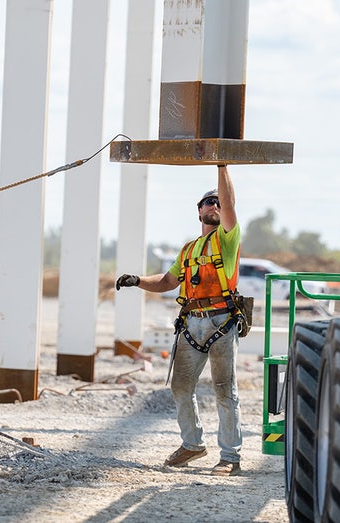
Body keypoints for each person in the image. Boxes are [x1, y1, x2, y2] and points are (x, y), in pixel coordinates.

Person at [115, 165, 244, 477]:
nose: (214, 205)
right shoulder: (188, 250)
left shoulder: (227, 240)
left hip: (221, 322)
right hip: (192, 323)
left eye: (218, 202)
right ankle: (193, 444)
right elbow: (167, 281)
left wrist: (222, 166)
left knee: (225, 390)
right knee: (181, 386)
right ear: (198, 211)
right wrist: (137, 280)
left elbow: (228, 201)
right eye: (207, 202)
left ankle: (230, 457)